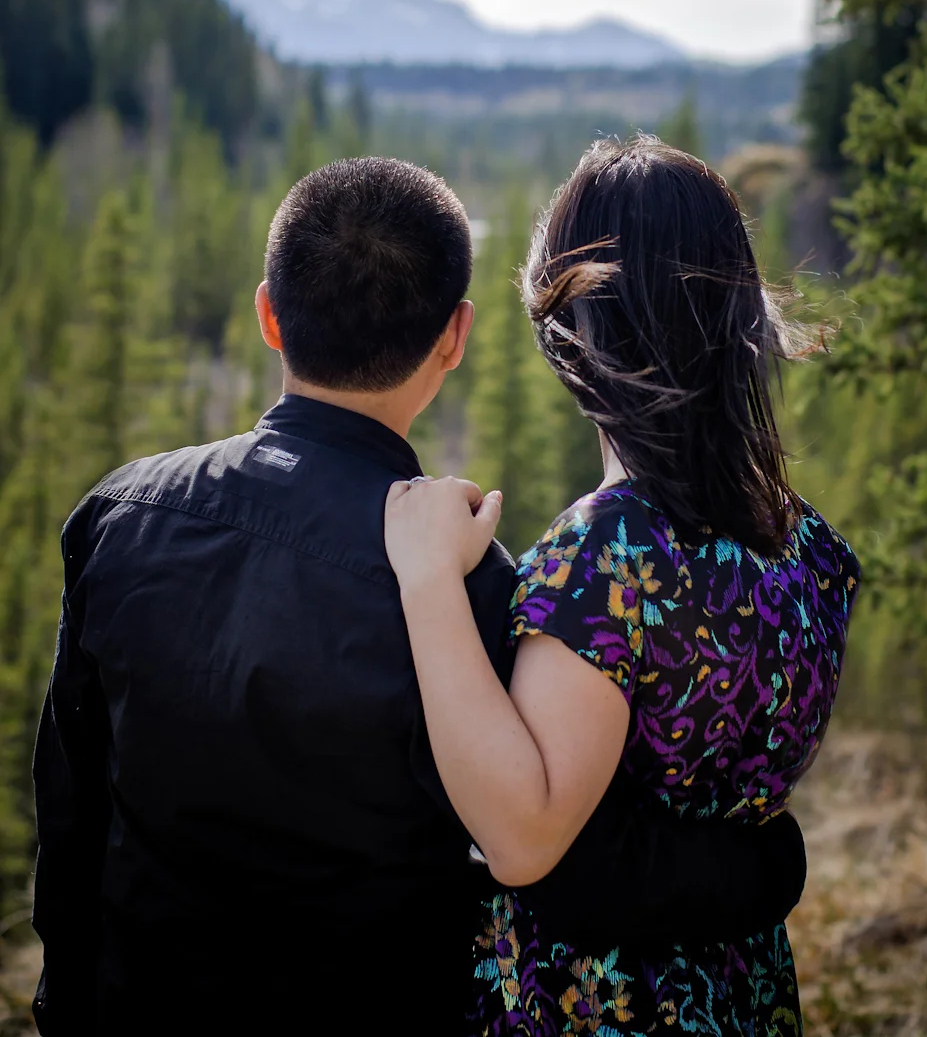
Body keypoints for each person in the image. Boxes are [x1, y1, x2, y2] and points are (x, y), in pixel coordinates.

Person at [33, 156, 806, 1037]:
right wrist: (768, 863)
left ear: (268, 314)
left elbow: (70, 805)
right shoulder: (468, 584)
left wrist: (65, 1006)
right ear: (454, 337)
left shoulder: (119, 515)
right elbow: (564, 860)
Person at [385, 138, 861, 1036]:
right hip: (742, 995)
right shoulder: (813, 551)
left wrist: (427, 580)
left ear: (573, 326)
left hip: (599, 1007)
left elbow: (523, 837)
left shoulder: (607, 555)